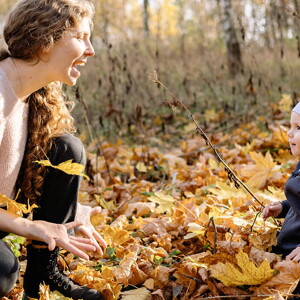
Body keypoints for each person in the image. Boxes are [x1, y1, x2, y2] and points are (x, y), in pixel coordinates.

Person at [0, 0, 106, 299]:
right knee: (1, 272)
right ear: (44, 41)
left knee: (65, 148)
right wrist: (33, 228)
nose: (90, 50)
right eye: (80, 37)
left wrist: (70, 210)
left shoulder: (32, 94)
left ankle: (43, 277)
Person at [262, 102, 300, 296]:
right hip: (287, 250)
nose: (290, 133)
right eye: (291, 126)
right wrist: (284, 207)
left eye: (299, 128)